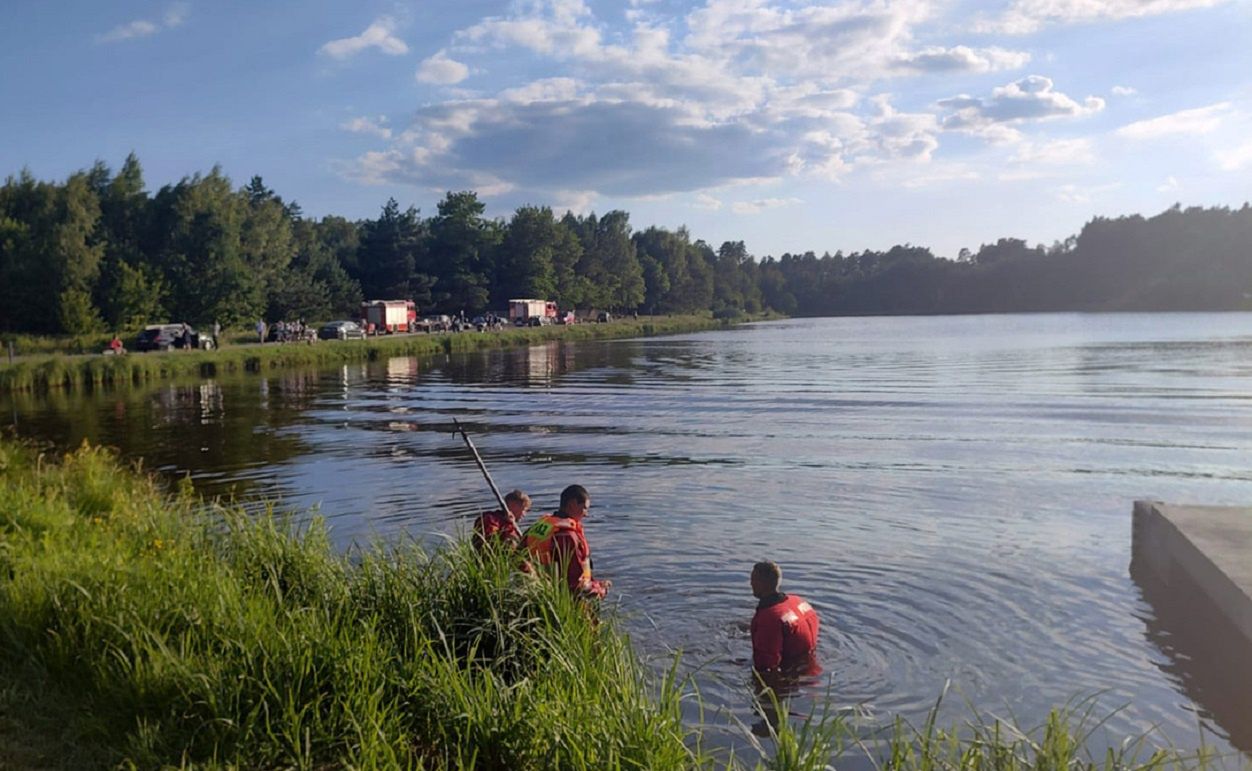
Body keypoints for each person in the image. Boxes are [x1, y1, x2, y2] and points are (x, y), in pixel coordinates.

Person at [523, 484, 610, 599]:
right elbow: (574, 584)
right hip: (560, 598)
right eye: (584, 508)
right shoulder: (567, 535)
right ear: (573, 504)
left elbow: (519, 555)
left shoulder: (540, 524)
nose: (586, 514)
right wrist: (599, 589)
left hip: (536, 590)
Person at [749, 561, 820, 674]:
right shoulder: (798, 601)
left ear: (763, 583)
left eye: (753, 579)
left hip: (791, 675)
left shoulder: (769, 618)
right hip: (810, 667)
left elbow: (765, 664)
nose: (750, 584)